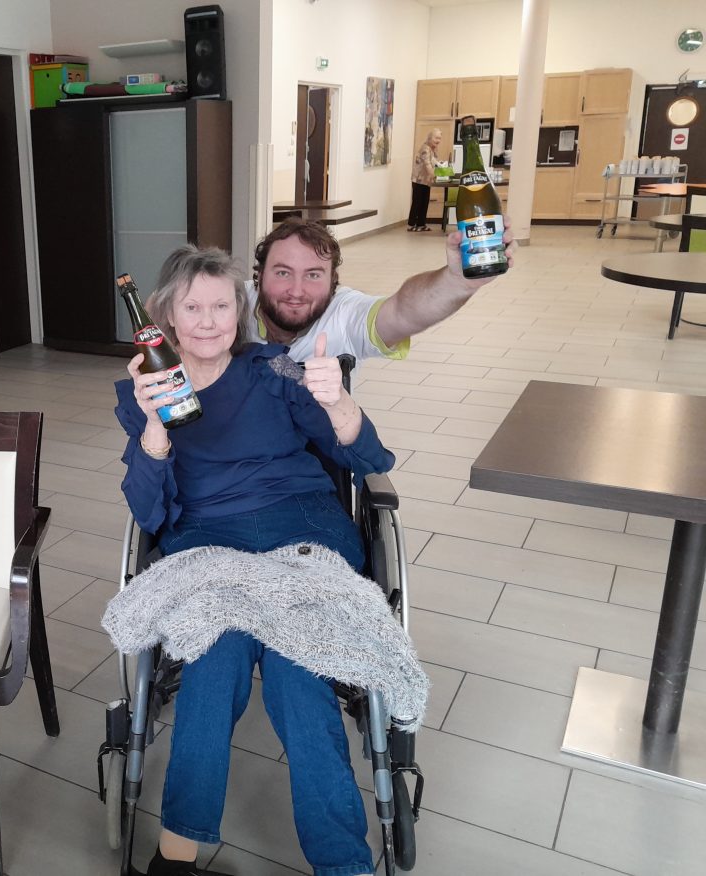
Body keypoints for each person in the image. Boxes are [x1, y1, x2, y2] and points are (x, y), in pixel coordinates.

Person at [114, 245, 396, 876]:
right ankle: (174, 859)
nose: (208, 321)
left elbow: (369, 460)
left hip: (303, 530)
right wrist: (154, 428)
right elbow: (149, 512)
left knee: (300, 674)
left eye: (221, 306)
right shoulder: (145, 390)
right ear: (165, 315)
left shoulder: (275, 368)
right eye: (193, 307)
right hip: (209, 544)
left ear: (239, 313)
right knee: (213, 665)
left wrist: (337, 401)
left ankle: (343, 865)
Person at [246, 215, 516, 363]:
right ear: (259, 274)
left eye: (313, 275)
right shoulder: (231, 302)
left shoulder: (342, 313)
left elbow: (403, 312)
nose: (296, 291)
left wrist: (456, 281)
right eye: (283, 273)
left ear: (332, 281)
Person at [408, 128, 442, 231]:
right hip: (419, 180)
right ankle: (411, 225)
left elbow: (433, 161)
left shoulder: (431, 149)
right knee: (417, 202)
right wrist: (434, 176)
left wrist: (440, 165)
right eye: (436, 138)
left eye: (439, 138)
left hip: (426, 180)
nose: (438, 141)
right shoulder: (425, 149)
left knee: (425, 202)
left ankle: (421, 224)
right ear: (430, 138)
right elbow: (427, 165)